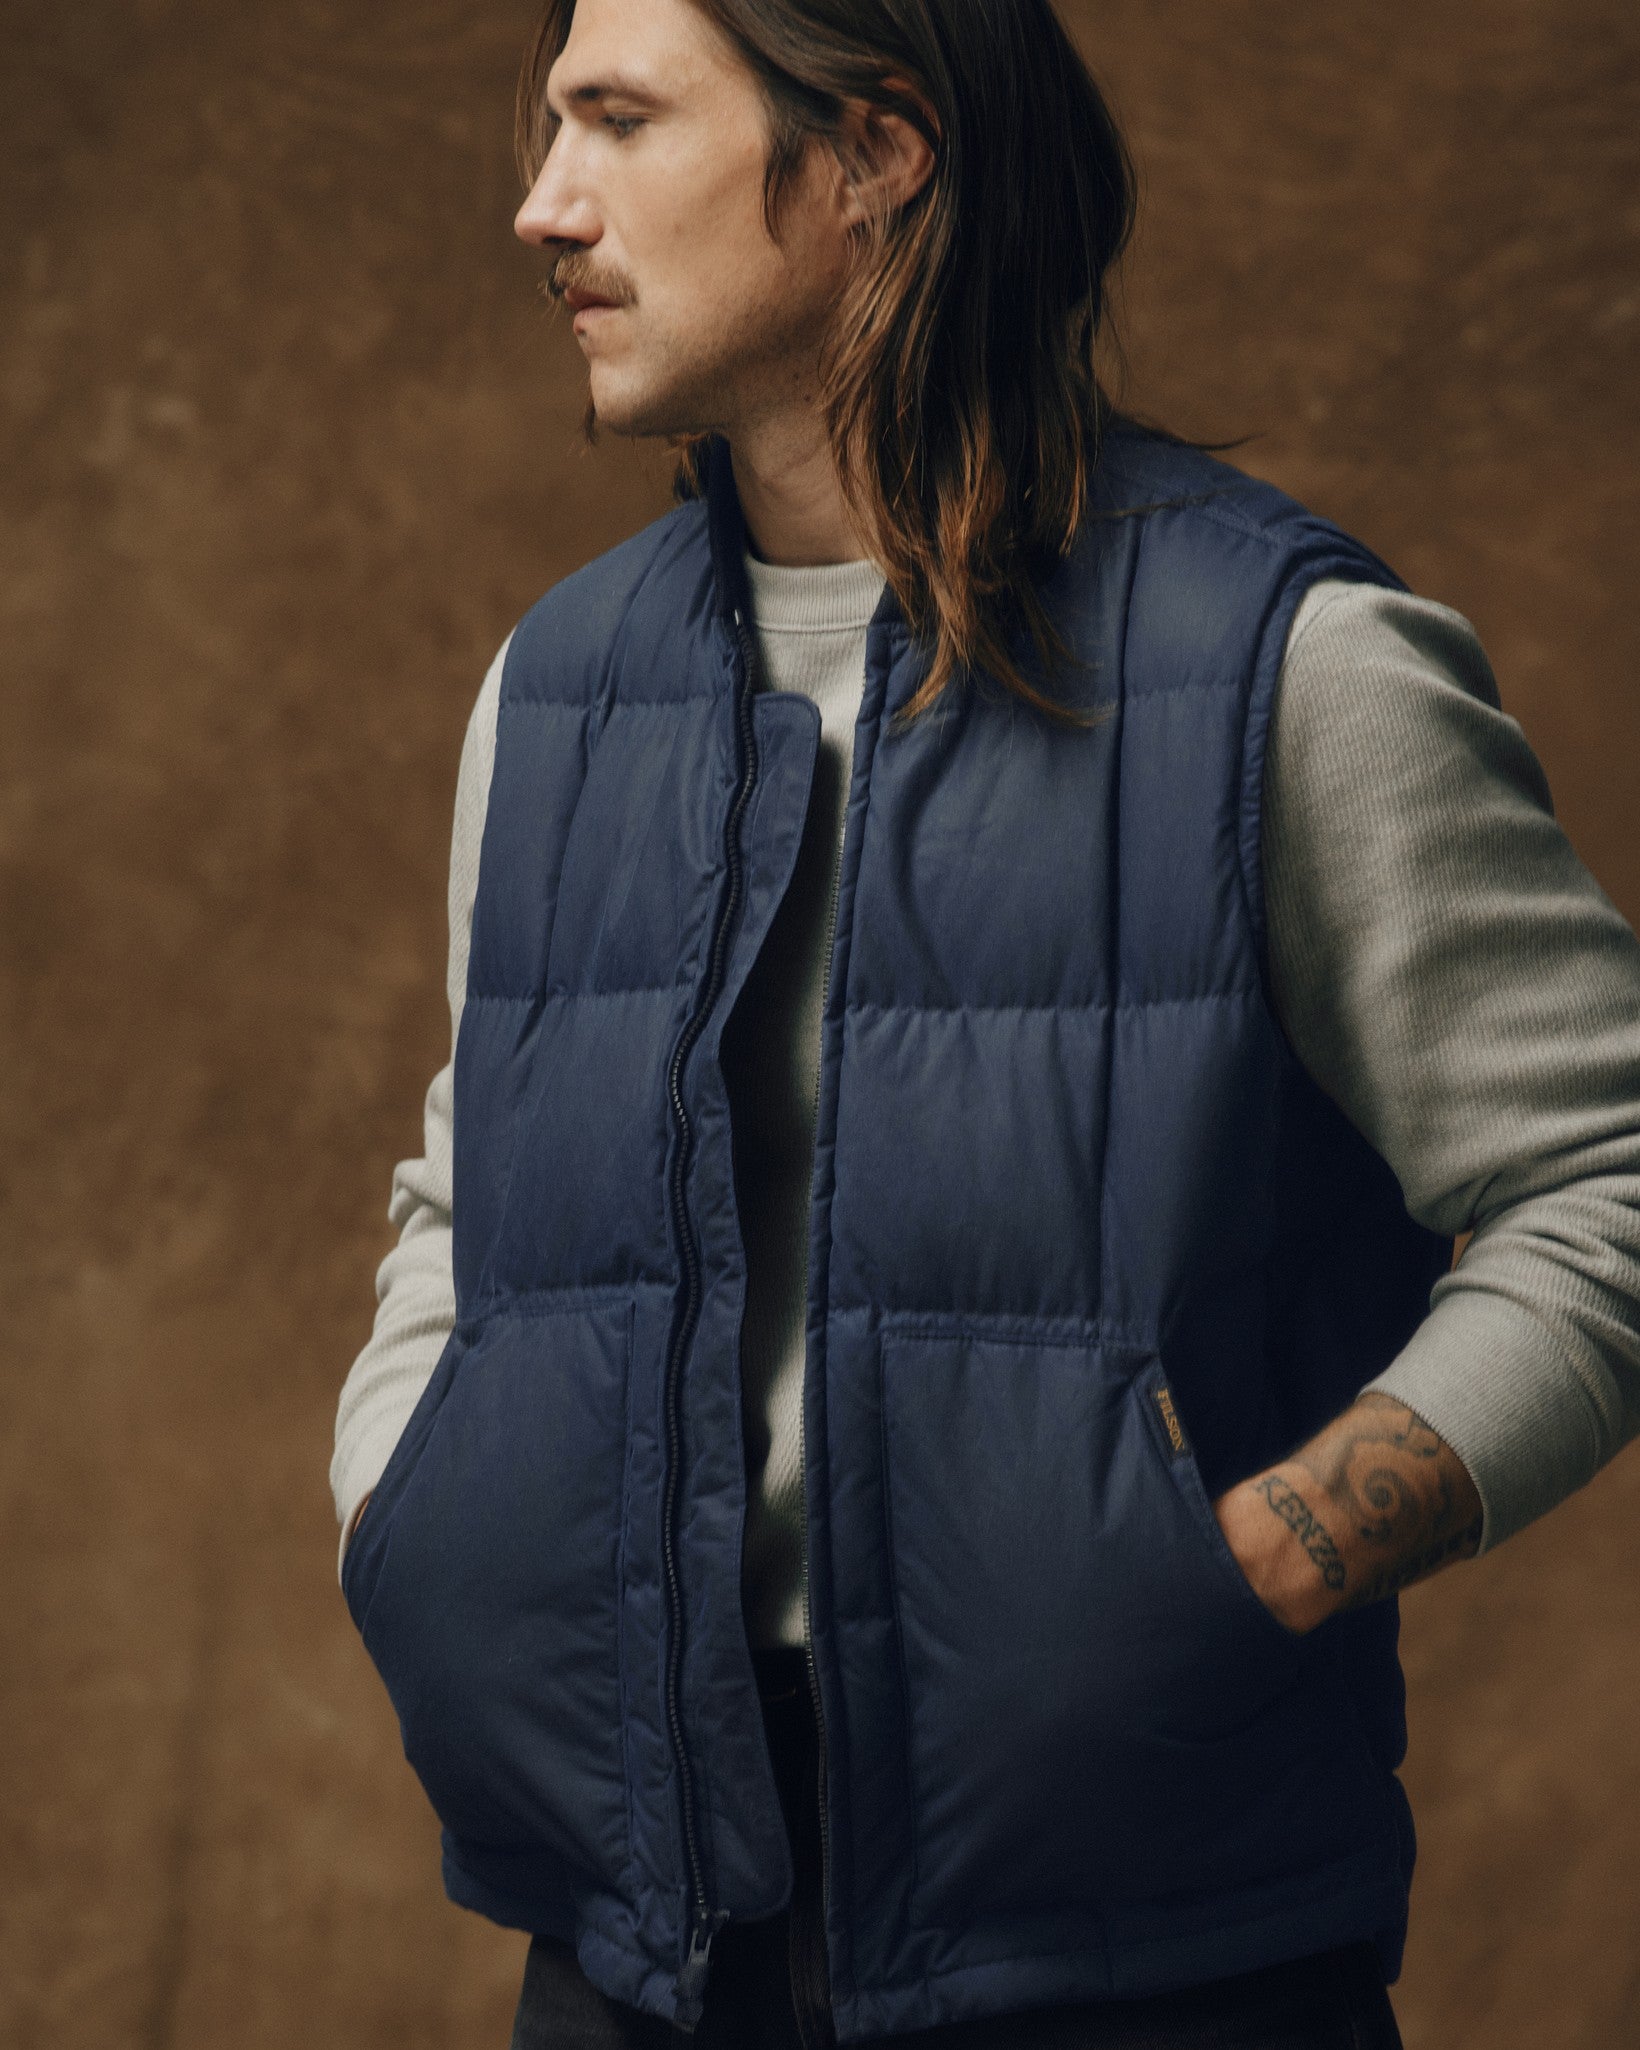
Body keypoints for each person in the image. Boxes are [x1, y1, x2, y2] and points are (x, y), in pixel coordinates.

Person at [330, 0, 1640, 2043]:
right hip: (636, 1938)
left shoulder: (1284, 668)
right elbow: (468, 1193)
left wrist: (1269, 1554)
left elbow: (1605, 1185)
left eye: (618, 119)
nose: (542, 204)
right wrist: (403, 1504)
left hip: (1141, 1952)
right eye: (550, 124)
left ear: (877, 155)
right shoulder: (555, 689)